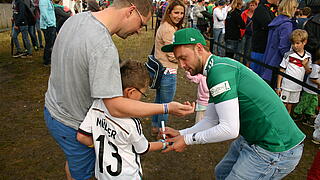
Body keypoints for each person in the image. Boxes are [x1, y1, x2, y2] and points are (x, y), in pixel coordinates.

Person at [43, 0, 194, 179]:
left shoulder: (76, 19)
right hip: (73, 124)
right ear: (130, 11)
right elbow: (116, 107)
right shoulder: (103, 46)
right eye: (141, 24)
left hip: (53, 110)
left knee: (74, 162)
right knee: (82, 173)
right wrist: (167, 107)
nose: (139, 30)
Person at [160, 28, 305, 179]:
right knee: (221, 173)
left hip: (276, 147)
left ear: (199, 48)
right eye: (178, 59)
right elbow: (211, 120)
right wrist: (182, 134)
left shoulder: (218, 72)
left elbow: (230, 129)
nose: (181, 64)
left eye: (184, 58)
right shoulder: (215, 69)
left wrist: (188, 140)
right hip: (256, 138)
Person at [77, 60, 170, 179]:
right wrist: (164, 144)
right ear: (130, 92)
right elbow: (143, 148)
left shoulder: (98, 104)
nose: (142, 97)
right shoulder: (131, 122)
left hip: (102, 175)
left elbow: (82, 137)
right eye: (143, 93)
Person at [152, 0, 185, 136]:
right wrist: (183, 59)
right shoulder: (168, 29)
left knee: (159, 101)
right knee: (166, 105)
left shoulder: (166, 26)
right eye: (176, 12)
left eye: (182, 13)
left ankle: (155, 127)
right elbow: (171, 55)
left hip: (162, 70)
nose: (179, 16)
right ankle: (162, 133)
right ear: (169, 12)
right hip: (168, 71)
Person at [261, 0, 298, 86]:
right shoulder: (287, 25)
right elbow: (283, 48)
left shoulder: (277, 20)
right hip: (277, 63)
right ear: (291, 8)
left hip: (268, 59)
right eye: (295, 7)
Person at [276, 29, 312, 114]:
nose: (295, 46)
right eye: (293, 43)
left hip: (297, 87)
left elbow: (308, 71)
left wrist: (305, 65)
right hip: (286, 86)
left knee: (290, 106)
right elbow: (281, 70)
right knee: (282, 105)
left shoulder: (308, 56)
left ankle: (286, 124)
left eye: (297, 43)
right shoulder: (288, 54)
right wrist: (278, 87)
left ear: (304, 42)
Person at [250, 0, 279, 75]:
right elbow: (269, 25)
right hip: (260, 48)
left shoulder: (269, 8)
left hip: (266, 48)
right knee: (256, 75)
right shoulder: (261, 9)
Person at [293, 48, 320, 126]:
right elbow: (312, 78)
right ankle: (296, 113)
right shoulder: (315, 67)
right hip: (309, 90)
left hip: (314, 91)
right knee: (304, 103)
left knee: (312, 104)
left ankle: (307, 117)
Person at [240, 0, 257, 66]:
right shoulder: (244, 13)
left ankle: (245, 63)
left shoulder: (257, 14)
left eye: (253, 5)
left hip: (252, 34)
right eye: (251, 5)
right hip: (244, 34)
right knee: (241, 49)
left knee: (248, 51)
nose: (252, 7)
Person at [39, 0, 57, 65]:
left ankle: (50, 58)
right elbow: (44, 13)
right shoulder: (43, 1)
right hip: (48, 26)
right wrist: (50, 23)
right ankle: (47, 60)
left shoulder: (48, 1)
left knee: (52, 43)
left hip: (51, 25)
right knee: (49, 44)